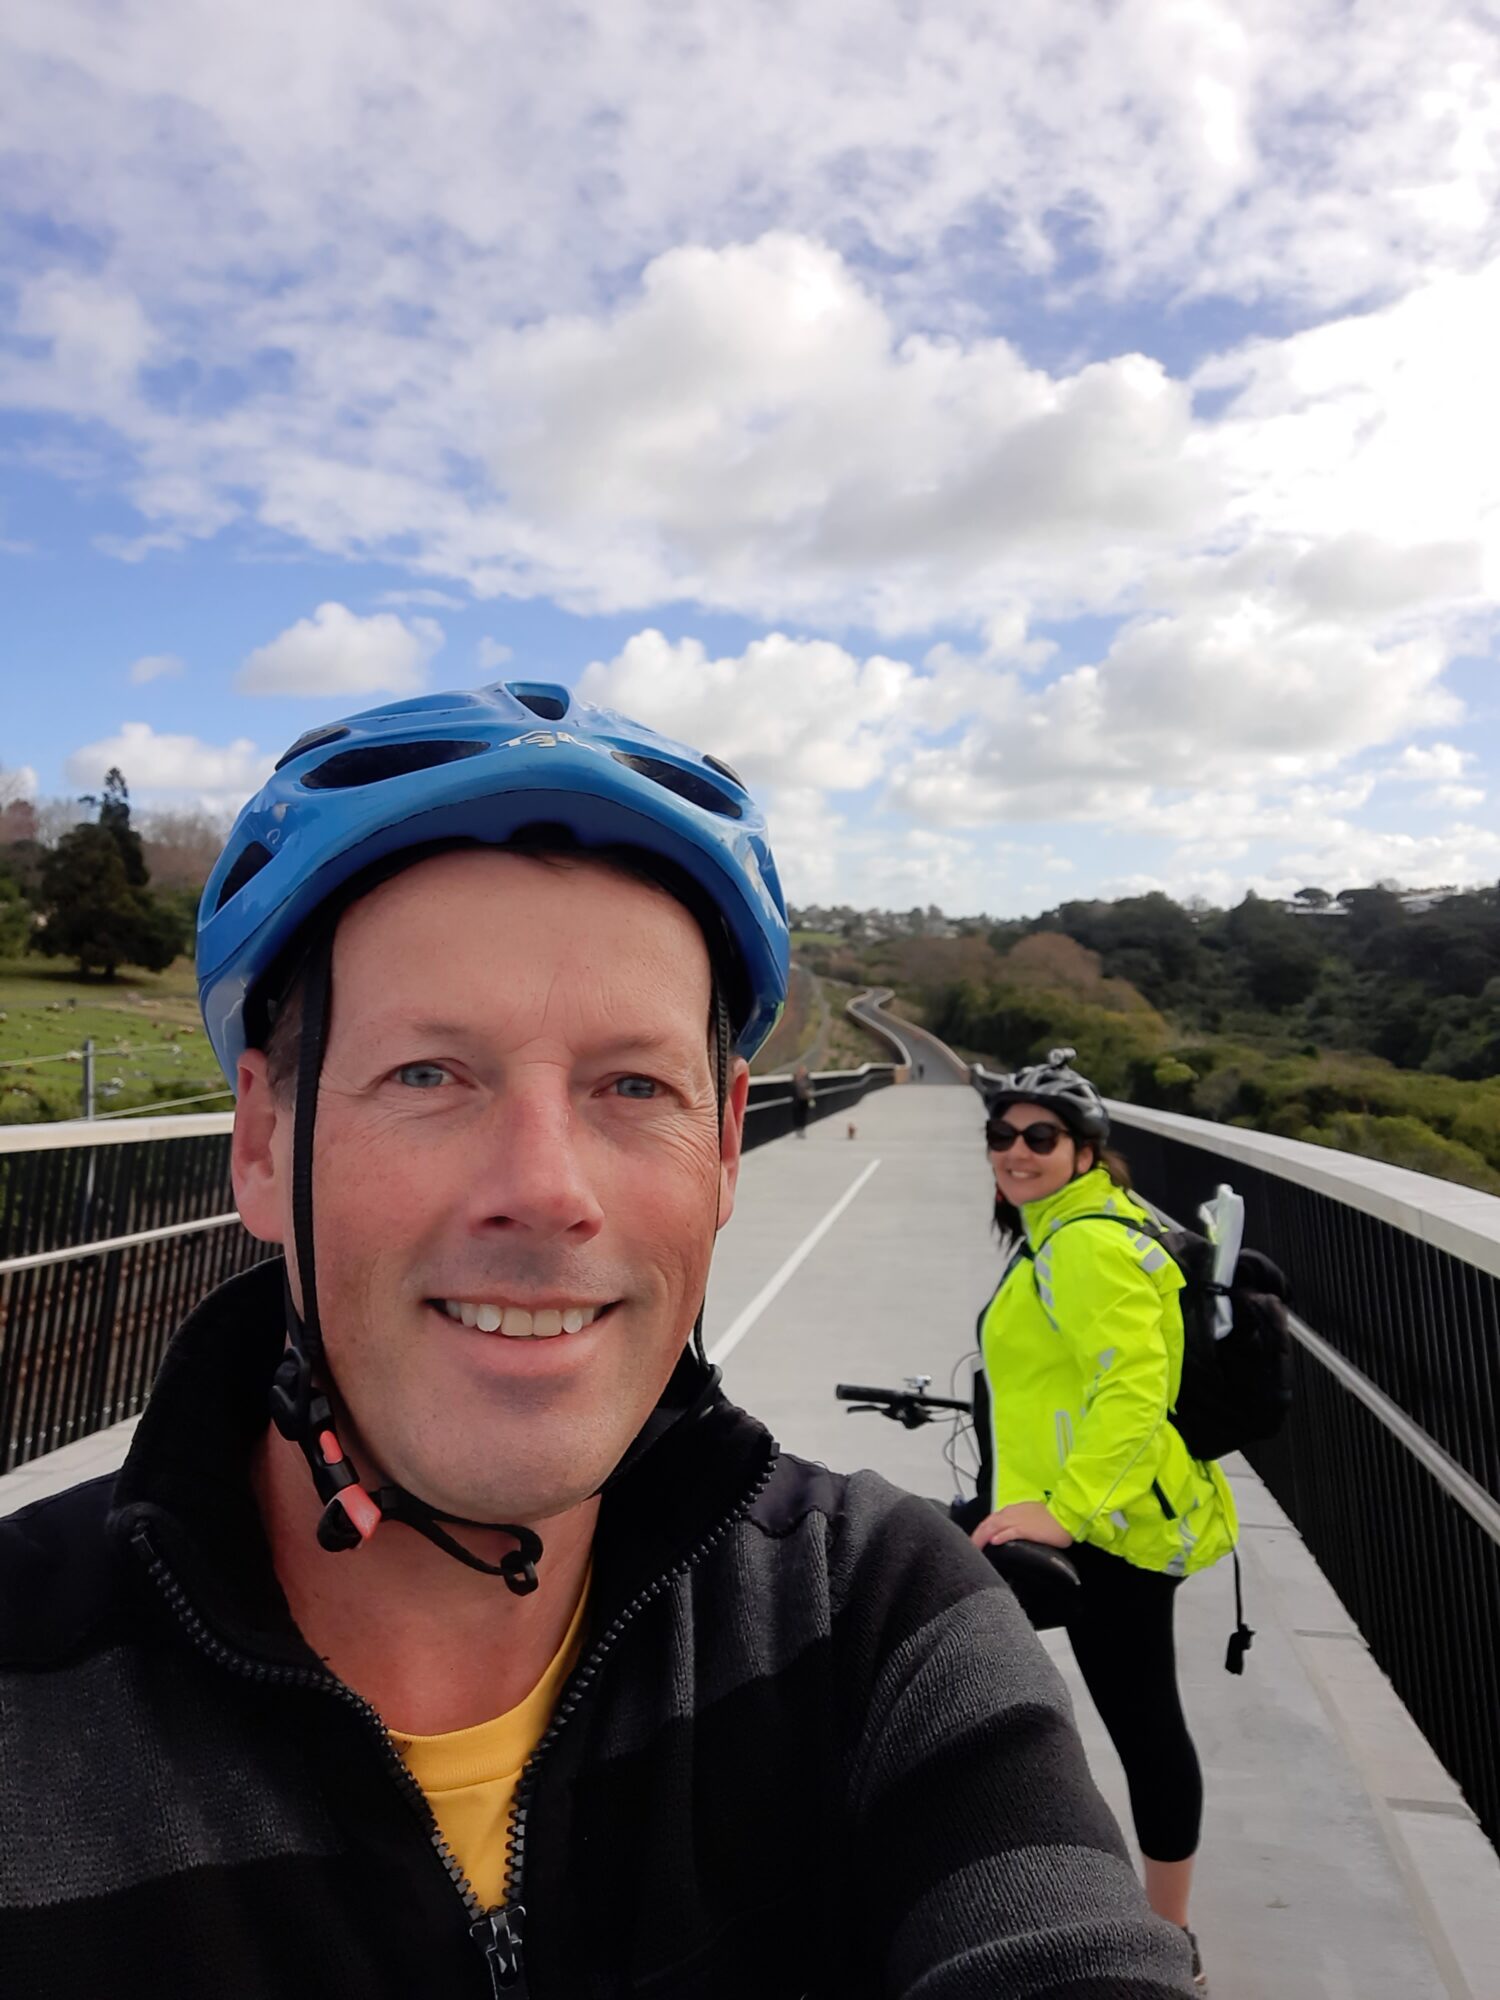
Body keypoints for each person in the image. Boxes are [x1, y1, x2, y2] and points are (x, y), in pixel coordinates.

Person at [0, 688, 1201, 1998]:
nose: (549, 1189)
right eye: (428, 1074)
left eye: (633, 1087)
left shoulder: (881, 1625)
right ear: (260, 1138)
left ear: (727, 1143)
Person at [966, 1049, 1239, 1994]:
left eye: (1039, 1137)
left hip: (1107, 1528)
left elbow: (1133, 1390)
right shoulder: (1064, 1228)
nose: (1015, 1150)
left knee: (1144, 1723)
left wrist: (1066, 1511)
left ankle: (1171, 1945)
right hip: (1078, 1513)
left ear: (1086, 1150)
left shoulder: (1084, 1242)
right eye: (1001, 1135)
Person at [790, 1061, 815, 1136]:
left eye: (803, 1070)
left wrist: (809, 1092)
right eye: (801, 1070)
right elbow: (791, 1088)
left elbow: (812, 1087)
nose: (802, 1072)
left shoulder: (808, 1079)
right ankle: (798, 1129)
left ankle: (802, 1129)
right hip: (797, 1100)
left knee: (803, 1115)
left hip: (805, 1100)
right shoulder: (795, 1079)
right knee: (797, 1115)